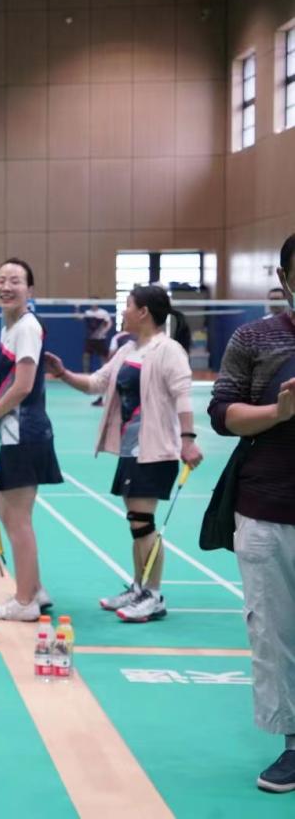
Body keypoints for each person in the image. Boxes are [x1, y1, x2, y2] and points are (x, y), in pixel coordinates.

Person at [45, 285, 204, 623]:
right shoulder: (129, 349)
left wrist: (188, 440)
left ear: (143, 312)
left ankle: (153, 595)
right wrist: (63, 374)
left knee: (143, 523)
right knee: (136, 523)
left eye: (128, 305)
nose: (123, 311)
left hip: (156, 451)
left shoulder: (168, 350)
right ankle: (138, 587)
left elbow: (183, 396)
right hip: (131, 450)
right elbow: (96, 383)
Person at [208, 234, 295, 793]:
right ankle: (292, 744)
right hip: (266, 509)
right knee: (274, 635)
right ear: (286, 279)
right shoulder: (253, 338)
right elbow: (222, 414)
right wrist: (278, 412)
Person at [0, 258, 62, 621]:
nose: (6, 286)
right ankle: (34, 588)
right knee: (12, 515)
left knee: (16, 518)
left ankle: (24, 602)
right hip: (18, 434)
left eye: (15, 281)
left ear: (29, 290)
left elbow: (23, 387)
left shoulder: (26, 327)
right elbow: (19, 381)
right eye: (2, 280)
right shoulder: (12, 326)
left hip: (25, 434)